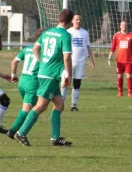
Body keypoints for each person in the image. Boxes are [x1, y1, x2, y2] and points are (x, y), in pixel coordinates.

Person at [13, 9, 74, 147]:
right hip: (51, 75)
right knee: (40, 105)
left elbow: (35, 48)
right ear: (70, 22)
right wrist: (68, 75)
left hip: (44, 72)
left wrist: (42, 63)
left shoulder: (47, 32)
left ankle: (55, 138)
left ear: (59, 19)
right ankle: (21, 133)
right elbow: (67, 57)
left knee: (59, 104)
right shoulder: (65, 35)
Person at [7, 28, 44, 138]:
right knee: (27, 110)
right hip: (32, 83)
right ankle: (13, 131)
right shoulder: (43, 53)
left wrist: (13, 75)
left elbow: (14, 61)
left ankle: (19, 130)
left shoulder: (27, 49)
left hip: (22, 81)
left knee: (27, 107)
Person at [61, 14, 94, 111]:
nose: (78, 21)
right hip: (69, 61)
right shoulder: (68, 32)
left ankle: (73, 105)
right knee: (66, 82)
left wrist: (91, 59)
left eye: (80, 19)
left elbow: (87, 46)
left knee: (77, 82)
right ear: (72, 21)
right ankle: (61, 104)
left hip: (81, 61)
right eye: (76, 19)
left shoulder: (85, 33)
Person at [108, 21, 132, 97]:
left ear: (127, 26)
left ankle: (129, 93)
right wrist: (110, 56)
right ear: (120, 26)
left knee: (129, 75)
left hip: (129, 60)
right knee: (120, 76)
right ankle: (120, 92)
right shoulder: (116, 35)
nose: (124, 26)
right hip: (119, 61)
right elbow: (113, 47)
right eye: (122, 25)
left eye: (125, 25)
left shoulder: (131, 35)